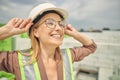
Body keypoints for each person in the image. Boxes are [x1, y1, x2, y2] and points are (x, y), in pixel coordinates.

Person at [0, 3, 97, 80]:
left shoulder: (67, 56)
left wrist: (75, 34)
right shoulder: (17, 60)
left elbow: (91, 47)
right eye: (50, 23)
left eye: (61, 24)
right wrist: (5, 31)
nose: (58, 28)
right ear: (35, 31)